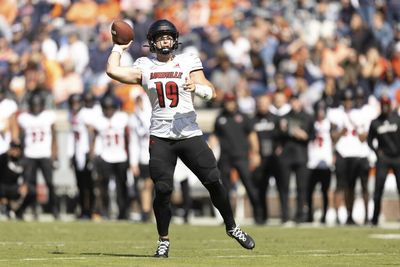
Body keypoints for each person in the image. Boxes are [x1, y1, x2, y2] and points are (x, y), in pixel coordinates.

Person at [106, 19, 255, 258]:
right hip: (161, 137)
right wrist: (118, 47)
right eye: (160, 37)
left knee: (214, 180)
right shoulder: (145, 65)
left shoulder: (188, 61)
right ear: (152, 42)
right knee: (163, 189)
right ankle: (163, 240)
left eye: (168, 36)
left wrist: (196, 88)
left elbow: (211, 91)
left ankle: (232, 227)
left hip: (189, 134)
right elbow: (112, 71)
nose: (165, 40)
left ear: (175, 39)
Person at [210, 91, 263, 225]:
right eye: (228, 101)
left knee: (250, 186)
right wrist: (209, 149)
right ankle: (228, 218)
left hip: (242, 157)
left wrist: (255, 153)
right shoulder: (220, 118)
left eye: (232, 101)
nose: (230, 104)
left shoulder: (243, 117)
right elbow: (214, 136)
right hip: (225, 158)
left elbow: (252, 136)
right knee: (225, 189)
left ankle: (259, 216)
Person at [17, 92, 59, 220]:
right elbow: (21, 137)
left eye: (38, 105)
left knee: (50, 183)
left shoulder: (48, 116)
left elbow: (54, 136)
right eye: (34, 105)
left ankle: (54, 209)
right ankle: (33, 210)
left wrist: (54, 154)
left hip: (45, 154)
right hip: (30, 155)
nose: (36, 108)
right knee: (31, 186)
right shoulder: (24, 117)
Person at [89, 94, 130, 220]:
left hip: (121, 156)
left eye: (111, 107)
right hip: (105, 156)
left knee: (121, 187)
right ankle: (105, 211)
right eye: (106, 108)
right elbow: (94, 137)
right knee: (103, 186)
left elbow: (128, 137)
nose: (108, 110)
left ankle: (123, 212)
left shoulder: (122, 118)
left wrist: (129, 153)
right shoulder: (99, 120)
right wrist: (93, 153)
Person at [367, 95, 400, 226]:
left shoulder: (397, 119)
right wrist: (377, 152)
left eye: (387, 104)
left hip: (398, 158)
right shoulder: (375, 122)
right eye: (383, 105)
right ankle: (375, 218)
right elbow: (369, 141)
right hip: (383, 159)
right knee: (378, 188)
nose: (385, 107)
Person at [67, 93, 95, 219]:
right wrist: (70, 154)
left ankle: (89, 211)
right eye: (73, 103)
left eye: (77, 103)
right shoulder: (71, 114)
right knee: (80, 184)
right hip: (77, 151)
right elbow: (72, 135)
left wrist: (90, 151)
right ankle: (83, 210)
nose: (75, 106)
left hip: (85, 151)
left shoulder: (86, 113)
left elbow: (90, 133)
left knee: (88, 184)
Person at [306, 100, 333, 224]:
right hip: (312, 161)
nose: (320, 113)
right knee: (309, 191)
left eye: (322, 110)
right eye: (319, 110)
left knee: (325, 191)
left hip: (325, 161)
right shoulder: (311, 123)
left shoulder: (330, 124)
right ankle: (310, 214)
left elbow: (335, 138)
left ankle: (325, 215)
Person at [129, 94, 153, 222]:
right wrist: (133, 162)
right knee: (146, 185)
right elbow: (133, 142)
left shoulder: (154, 115)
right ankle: (145, 211)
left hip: (157, 155)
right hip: (143, 157)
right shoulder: (134, 119)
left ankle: (151, 211)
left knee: (156, 185)